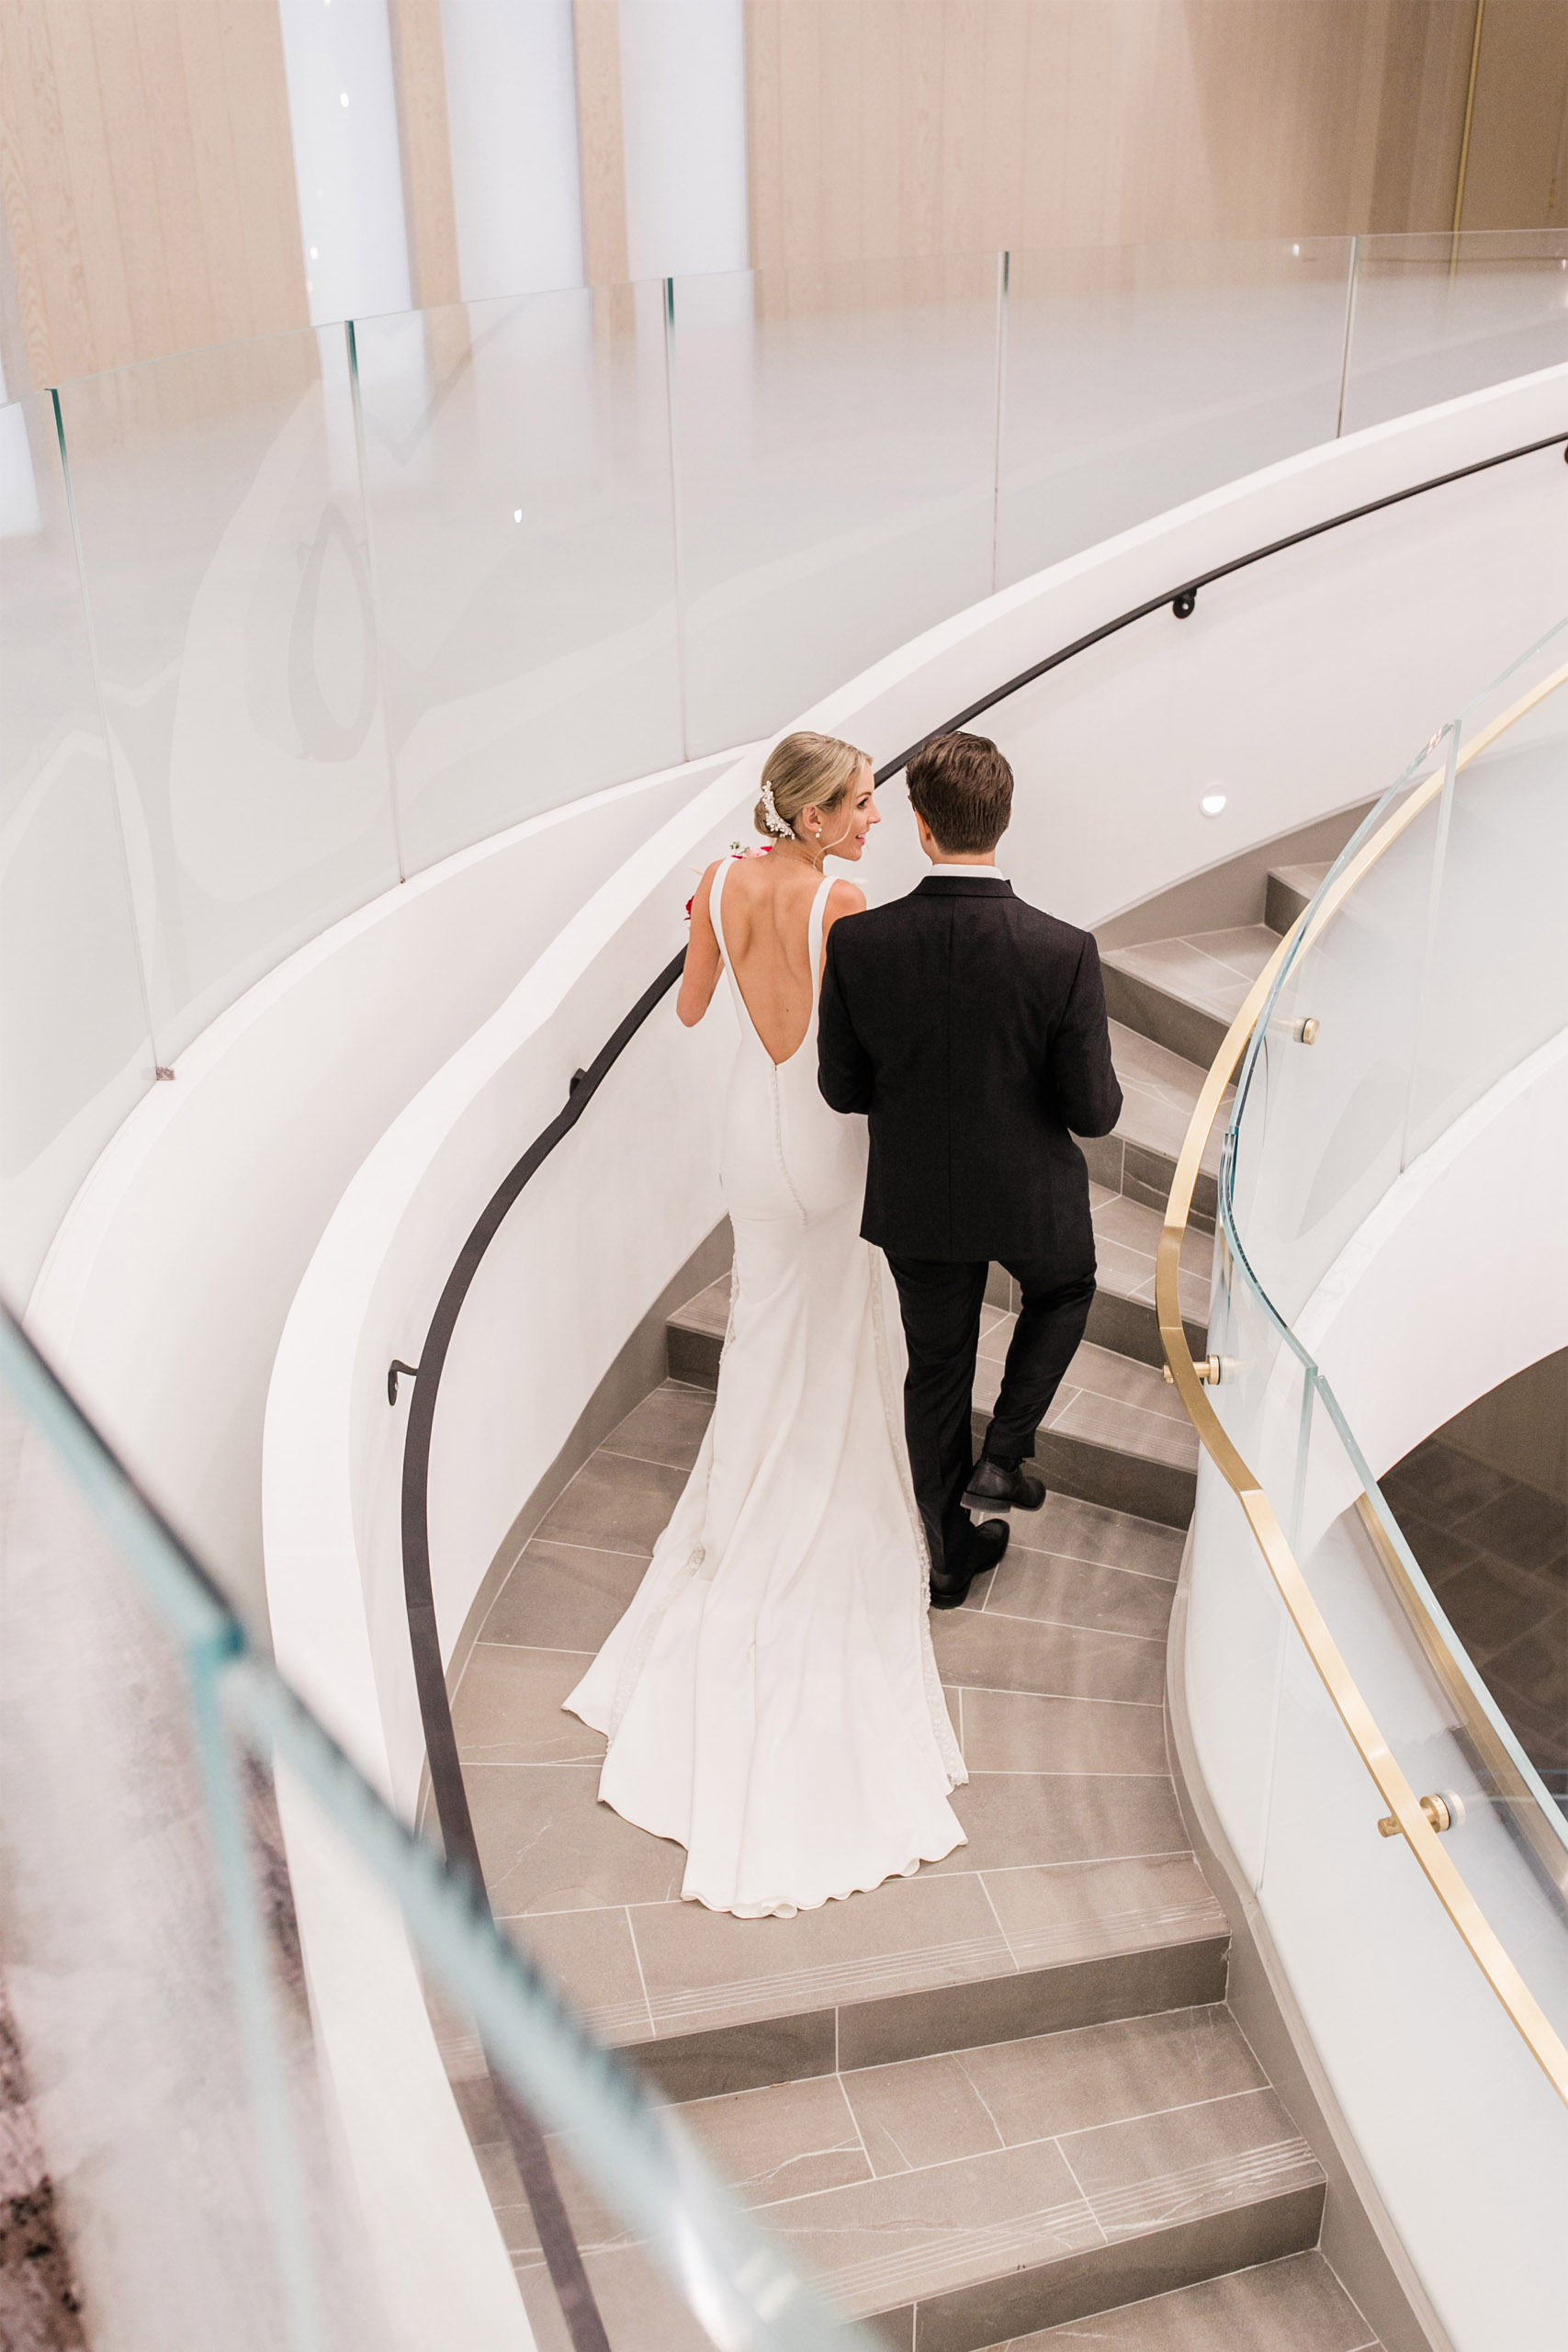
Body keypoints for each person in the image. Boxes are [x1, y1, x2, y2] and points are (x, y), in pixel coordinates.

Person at [563, 732, 965, 1918]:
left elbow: (691, 1006)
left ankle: (734, 1512)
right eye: (855, 802)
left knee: (760, 1335)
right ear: (811, 815)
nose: (870, 818)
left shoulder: (726, 881)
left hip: (748, 1134)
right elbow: (866, 1054)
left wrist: (705, 910)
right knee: (840, 1336)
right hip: (823, 1144)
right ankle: (814, 1493)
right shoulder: (841, 902)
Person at [818, 730, 1122, 1608]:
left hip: (916, 1197)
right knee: (1063, 1290)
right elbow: (1093, 1113)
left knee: (937, 1367)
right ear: (1005, 819)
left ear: (920, 826)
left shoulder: (861, 944)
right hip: (1030, 1195)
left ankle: (946, 1555)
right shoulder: (1061, 950)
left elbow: (842, 1089)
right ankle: (1004, 1453)